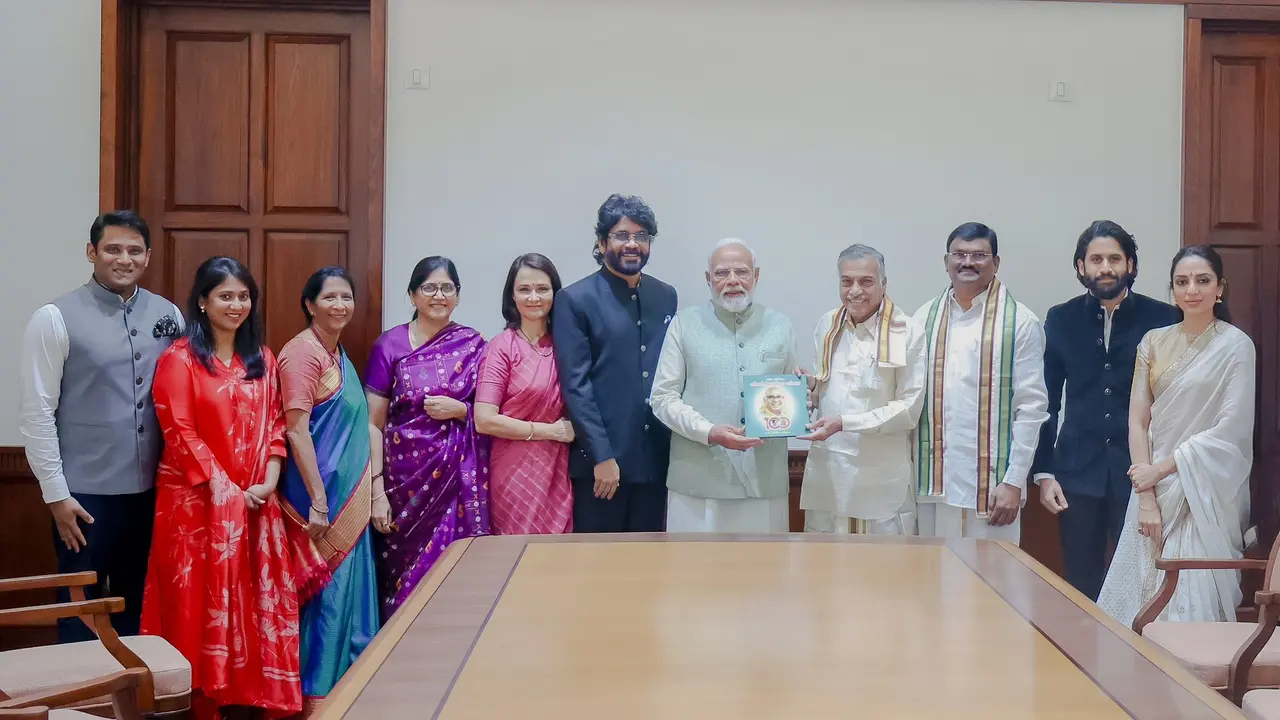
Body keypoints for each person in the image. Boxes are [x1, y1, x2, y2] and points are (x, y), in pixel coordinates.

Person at [140, 256, 300, 720]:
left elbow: (276, 424)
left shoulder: (262, 359)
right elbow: (179, 431)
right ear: (203, 302)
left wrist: (268, 482)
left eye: (243, 296)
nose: (236, 305)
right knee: (193, 605)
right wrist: (225, 487)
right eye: (225, 296)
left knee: (252, 603)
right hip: (194, 506)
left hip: (254, 503)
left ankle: (245, 695)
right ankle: (199, 700)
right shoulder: (180, 359)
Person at [18, 210, 184, 643]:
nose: (123, 258)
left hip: (153, 493)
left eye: (133, 250)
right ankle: (84, 707)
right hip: (83, 499)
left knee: (141, 607)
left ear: (147, 257)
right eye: (112, 249)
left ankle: (137, 703)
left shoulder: (169, 315)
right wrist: (56, 496)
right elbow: (36, 413)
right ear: (92, 252)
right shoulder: (54, 317)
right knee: (80, 610)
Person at [1097, 246, 1254, 626]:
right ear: (1172, 290)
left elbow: (1230, 429)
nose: (1192, 290)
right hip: (1151, 491)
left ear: (1220, 288)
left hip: (1204, 490)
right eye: (1182, 282)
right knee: (1136, 595)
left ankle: (1190, 679)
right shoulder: (1152, 342)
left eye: (1203, 281)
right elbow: (1138, 421)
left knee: (1192, 596)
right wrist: (1147, 494)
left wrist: (1163, 469)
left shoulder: (1236, 346)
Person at [1033, 221, 1180, 601]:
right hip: (1076, 473)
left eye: (1114, 258)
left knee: (1139, 580)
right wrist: (1044, 472)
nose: (1105, 267)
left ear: (1131, 265)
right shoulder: (1061, 318)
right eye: (1095, 259)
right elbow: (1046, 399)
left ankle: (1137, 659)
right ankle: (1081, 660)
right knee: (1081, 580)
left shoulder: (1163, 319)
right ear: (1080, 267)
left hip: (1140, 474)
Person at [278, 266, 388, 713]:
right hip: (317, 502)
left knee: (348, 595)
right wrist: (319, 499)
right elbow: (296, 431)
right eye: (330, 298)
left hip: (351, 496)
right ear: (309, 304)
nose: (340, 306)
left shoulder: (337, 353)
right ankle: (315, 697)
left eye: (346, 298)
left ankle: (349, 688)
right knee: (324, 600)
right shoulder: (301, 354)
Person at [365, 256, 489, 618]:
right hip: (404, 486)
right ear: (413, 295)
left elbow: (488, 413)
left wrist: (460, 410)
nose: (439, 295)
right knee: (402, 577)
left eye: (447, 288)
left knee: (456, 575)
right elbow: (374, 423)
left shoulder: (473, 344)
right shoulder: (389, 346)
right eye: (429, 288)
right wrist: (377, 493)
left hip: (456, 482)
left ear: (458, 296)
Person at [649, 239, 797, 533]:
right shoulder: (684, 324)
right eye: (721, 273)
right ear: (708, 279)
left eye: (742, 272)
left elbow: (791, 393)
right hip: (697, 483)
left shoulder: (780, 325)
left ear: (756, 276)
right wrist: (709, 432)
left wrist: (808, 391)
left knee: (764, 574)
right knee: (696, 576)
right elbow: (662, 398)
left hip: (764, 481)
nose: (732, 281)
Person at [913, 222, 1049, 542]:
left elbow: (1031, 408)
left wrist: (1015, 481)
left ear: (996, 263)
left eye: (979, 255)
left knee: (991, 584)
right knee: (932, 581)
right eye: (959, 254)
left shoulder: (1019, 322)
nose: (968, 262)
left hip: (993, 490)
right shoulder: (922, 319)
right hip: (934, 483)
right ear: (946, 262)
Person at [552, 194, 679, 533]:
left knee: (650, 570)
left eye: (641, 236)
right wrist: (602, 456)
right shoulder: (574, 300)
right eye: (622, 235)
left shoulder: (666, 295)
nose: (632, 244)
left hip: (656, 461)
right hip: (602, 467)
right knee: (598, 572)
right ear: (602, 241)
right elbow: (576, 386)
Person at [799, 244, 926, 535]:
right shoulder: (828, 324)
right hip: (828, 477)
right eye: (847, 281)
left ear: (883, 284)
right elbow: (824, 391)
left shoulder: (907, 331)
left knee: (878, 576)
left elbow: (908, 408)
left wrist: (845, 423)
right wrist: (807, 389)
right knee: (823, 572)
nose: (855, 290)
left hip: (877, 479)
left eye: (866, 281)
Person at [475, 253, 575, 535]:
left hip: (558, 468)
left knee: (559, 556)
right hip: (514, 470)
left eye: (542, 289)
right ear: (512, 297)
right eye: (524, 290)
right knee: (517, 555)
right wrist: (550, 432)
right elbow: (484, 419)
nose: (534, 298)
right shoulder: (501, 347)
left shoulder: (566, 346)